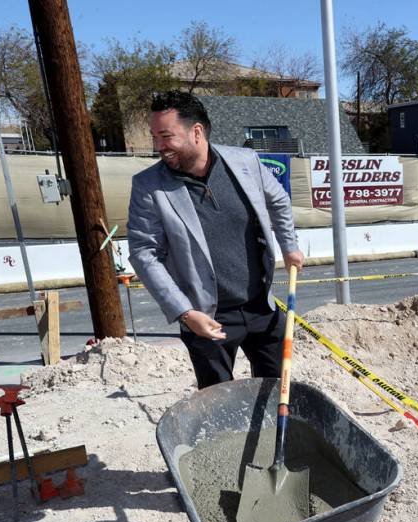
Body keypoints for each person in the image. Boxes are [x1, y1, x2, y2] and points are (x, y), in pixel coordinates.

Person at [127, 91, 304, 389]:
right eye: (154, 137)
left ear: (196, 132)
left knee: (275, 393)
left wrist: (289, 245)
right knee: (218, 403)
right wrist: (185, 312)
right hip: (206, 317)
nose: (158, 146)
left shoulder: (244, 162)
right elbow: (144, 253)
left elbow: (279, 201)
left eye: (165, 136)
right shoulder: (148, 186)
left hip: (262, 306)